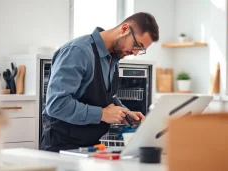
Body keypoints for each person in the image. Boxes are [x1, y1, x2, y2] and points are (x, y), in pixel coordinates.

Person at [40, 12, 159, 152]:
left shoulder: (113, 58)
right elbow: (56, 105)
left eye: (141, 50)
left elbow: (104, 96)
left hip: (90, 147)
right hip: (61, 147)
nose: (135, 53)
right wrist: (102, 114)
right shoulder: (78, 52)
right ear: (124, 29)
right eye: (137, 45)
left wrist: (124, 113)